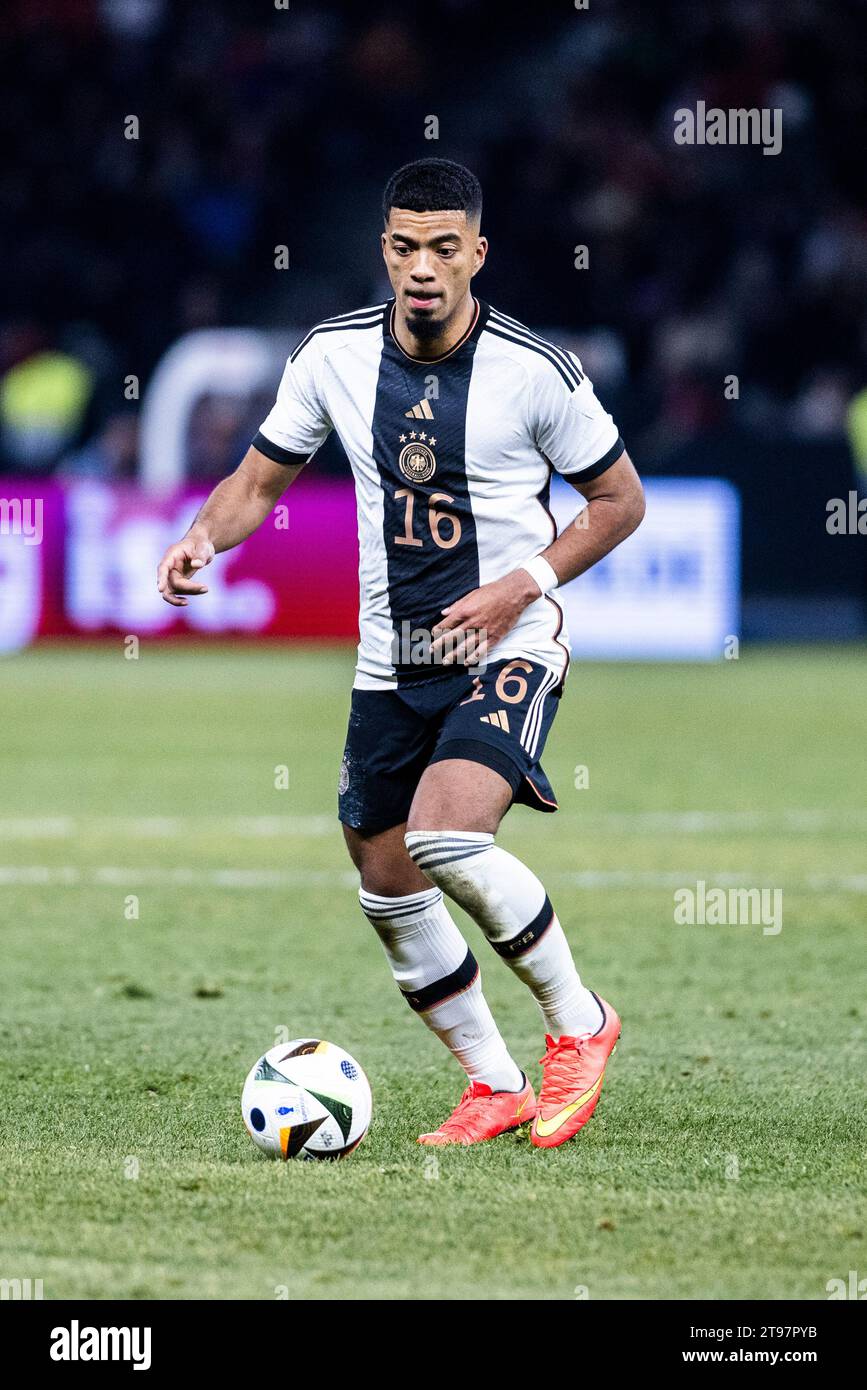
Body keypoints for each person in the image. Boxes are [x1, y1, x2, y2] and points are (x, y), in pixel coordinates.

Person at [157, 158, 645, 1148]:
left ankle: (581, 1023)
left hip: (509, 641)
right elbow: (257, 482)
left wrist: (522, 583)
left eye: (442, 247)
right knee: (388, 887)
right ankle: (494, 1082)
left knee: (445, 836)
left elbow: (620, 503)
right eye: (403, 247)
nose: (422, 267)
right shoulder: (332, 355)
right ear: (384, 249)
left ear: (477, 253)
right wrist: (203, 536)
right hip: (391, 658)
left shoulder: (534, 370)